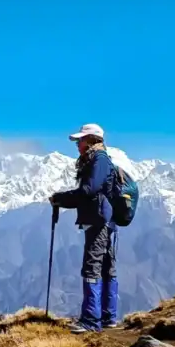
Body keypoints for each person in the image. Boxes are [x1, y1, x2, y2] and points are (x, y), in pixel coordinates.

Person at [50, 123, 119, 333]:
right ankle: (108, 317)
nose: (78, 144)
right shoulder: (101, 160)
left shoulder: (99, 160)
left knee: (92, 268)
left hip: (98, 221)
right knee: (107, 267)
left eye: (80, 140)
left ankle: (91, 321)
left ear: (91, 140)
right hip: (105, 220)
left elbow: (89, 190)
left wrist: (61, 199)